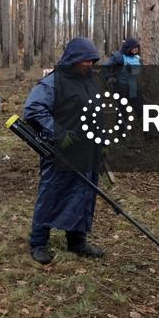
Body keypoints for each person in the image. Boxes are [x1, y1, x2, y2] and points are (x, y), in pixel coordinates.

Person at [23, 37, 104, 264]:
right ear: (73, 59)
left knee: (83, 195)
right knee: (51, 194)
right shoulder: (52, 83)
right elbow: (33, 109)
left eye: (92, 60)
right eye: (85, 60)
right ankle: (38, 243)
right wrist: (59, 133)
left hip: (87, 151)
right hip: (61, 152)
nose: (89, 64)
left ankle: (77, 242)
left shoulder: (89, 81)